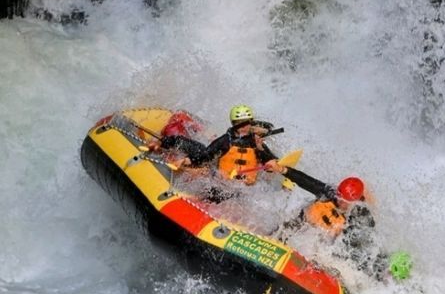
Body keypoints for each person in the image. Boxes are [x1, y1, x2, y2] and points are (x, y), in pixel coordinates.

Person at [266, 164, 412, 280]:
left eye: (344, 202)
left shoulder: (359, 216)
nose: (340, 203)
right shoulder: (331, 193)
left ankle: (387, 269)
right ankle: (273, 240)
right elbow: (306, 181)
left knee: (358, 257)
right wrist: (282, 169)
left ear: (355, 202)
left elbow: (361, 246)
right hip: (314, 226)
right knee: (309, 214)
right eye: (339, 198)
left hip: (342, 245)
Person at [152, 104, 279, 186]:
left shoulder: (256, 143)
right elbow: (205, 156)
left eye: (246, 123)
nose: (244, 127)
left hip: (243, 185)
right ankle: (161, 142)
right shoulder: (225, 141)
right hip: (219, 178)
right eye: (240, 123)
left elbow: (271, 162)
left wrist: (269, 161)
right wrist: (186, 160)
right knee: (197, 152)